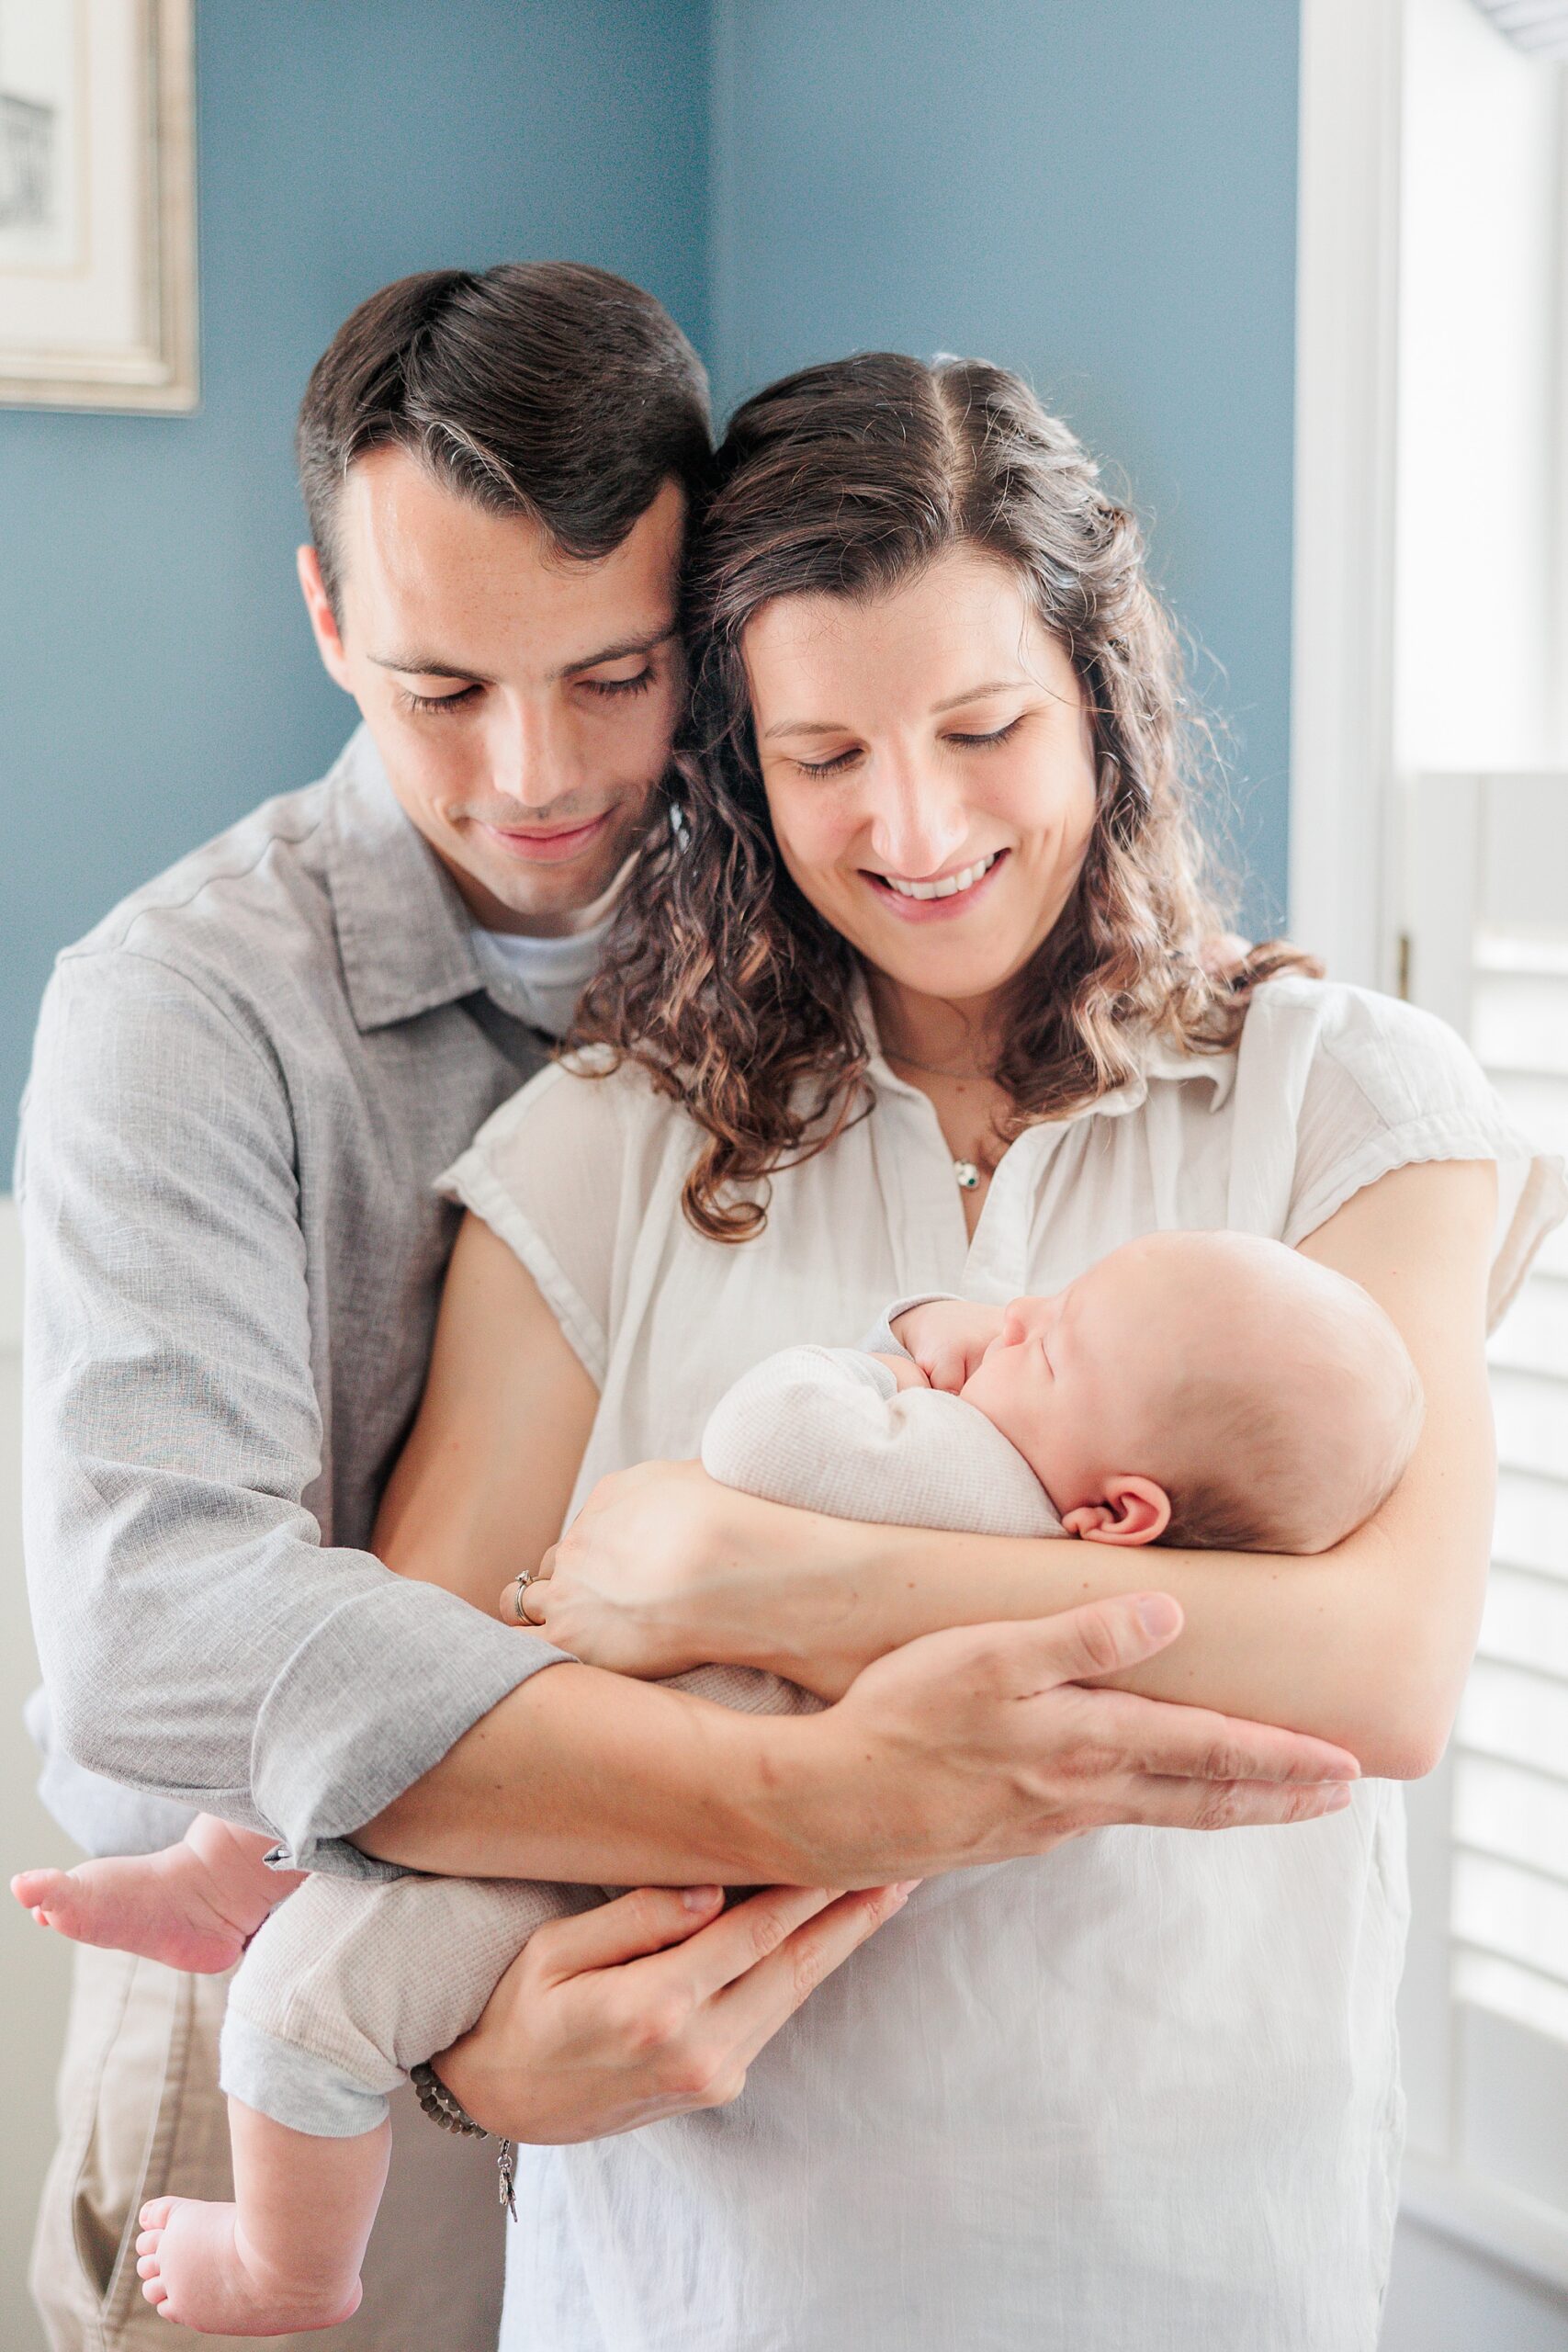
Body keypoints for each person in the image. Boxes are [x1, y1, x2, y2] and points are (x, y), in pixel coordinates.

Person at [18, 272, 1352, 2352]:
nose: (536, 770)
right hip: (283, 1949)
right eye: (437, 686)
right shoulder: (180, 1013)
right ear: (324, 622)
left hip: (671, 2002)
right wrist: (812, 1793)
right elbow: (153, 1628)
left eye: (613, 674)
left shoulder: (798, 928)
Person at [275, 350, 1553, 2350]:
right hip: (701, 2287)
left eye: (981, 726)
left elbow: (1371, 1669)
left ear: (1099, 706)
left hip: (1197, 2269)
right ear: (732, 764)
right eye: (823, 755)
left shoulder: (1342, 1098)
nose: (916, 821)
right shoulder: (607, 1145)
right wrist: (486, 2054)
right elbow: (416, 1718)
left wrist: (775, 1575)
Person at [13, 1229, 1421, 2333]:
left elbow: (768, 1435)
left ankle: (286, 2265)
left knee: (303, 2014)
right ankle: (217, 1879)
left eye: (1044, 1344)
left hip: (582, 1855)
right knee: (358, 1702)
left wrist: (892, 1346)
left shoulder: (967, 1477)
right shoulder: (1040, 1533)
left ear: (1115, 1515)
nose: (1009, 1318)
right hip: (581, 1760)